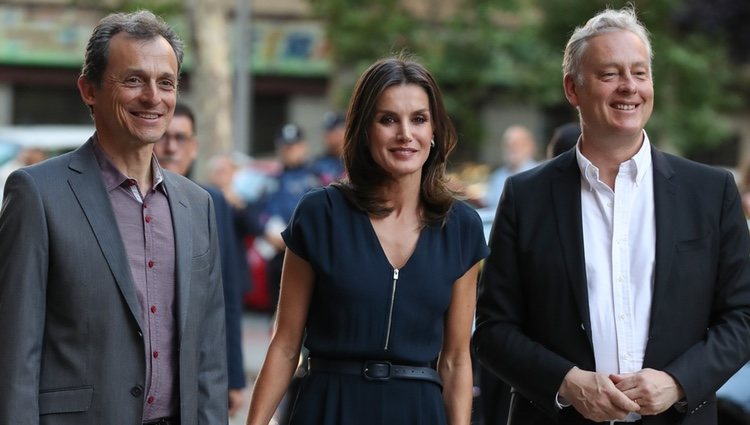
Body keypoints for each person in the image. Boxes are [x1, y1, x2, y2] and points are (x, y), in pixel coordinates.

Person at [474, 6, 750, 425]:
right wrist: (567, 382)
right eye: (610, 75)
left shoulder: (710, 192)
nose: (630, 88)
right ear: (573, 88)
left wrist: (677, 381)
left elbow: (743, 317)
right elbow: (494, 330)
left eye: (640, 73)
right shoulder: (526, 196)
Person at [0, 11, 227, 425]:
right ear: (89, 89)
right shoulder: (37, 193)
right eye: (134, 80)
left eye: (166, 83)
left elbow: (208, 357)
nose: (153, 97)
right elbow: (14, 352)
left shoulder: (197, 205)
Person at [246, 55, 489, 425]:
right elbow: (285, 343)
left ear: (434, 131)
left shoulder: (461, 228)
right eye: (388, 119)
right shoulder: (320, 213)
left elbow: (456, 359)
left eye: (419, 119)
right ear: (364, 129)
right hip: (330, 407)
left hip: (418, 411)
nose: (405, 133)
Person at [154, 103, 247, 417]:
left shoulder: (213, 203)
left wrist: (234, 376)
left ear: (193, 148)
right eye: (165, 136)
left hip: (198, 367)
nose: (171, 147)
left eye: (181, 138)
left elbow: (227, 296)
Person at [256, 123, 320, 314]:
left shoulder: (316, 178)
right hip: (276, 253)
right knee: (276, 314)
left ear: (304, 146)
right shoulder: (271, 179)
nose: (290, 150)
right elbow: (256, 212)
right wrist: (265, 233)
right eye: (286, 146)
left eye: (294, 145)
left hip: (306, 255)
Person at [483, 124, 538, 210]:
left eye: (516, 144)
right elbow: (490, 207)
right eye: (507, 145)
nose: (512, 148)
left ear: (530, 146)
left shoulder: (540, 174)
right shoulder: (497, 176)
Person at [311, 111, 346, 185]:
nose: (328, 135)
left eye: (333, 131)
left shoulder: (356, 160)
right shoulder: (317, 163)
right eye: (327, 131)